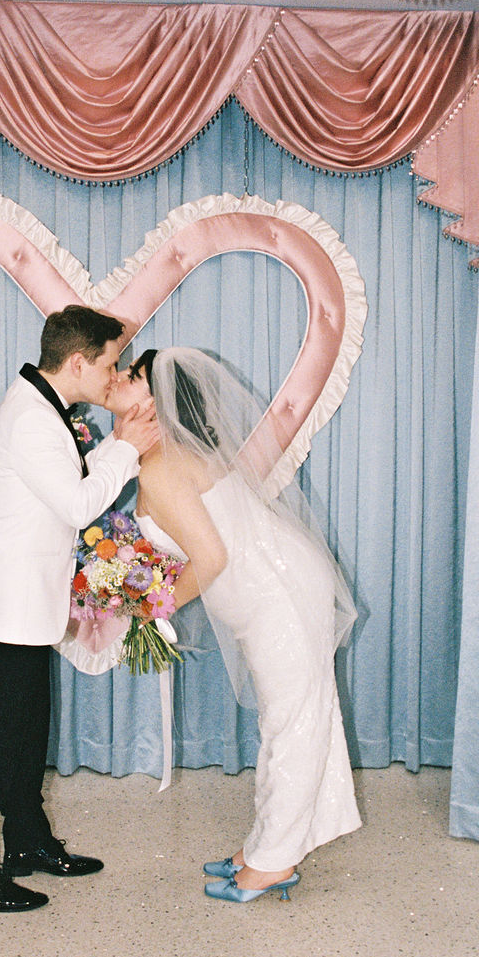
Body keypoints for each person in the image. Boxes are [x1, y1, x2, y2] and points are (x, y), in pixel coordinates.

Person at [107, 346, 360, 904]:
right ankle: (268, 844)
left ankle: (274, 861)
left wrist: (152, 607)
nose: (120, 377)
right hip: (272, 592)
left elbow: (211, 559)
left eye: (133, 375)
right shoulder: (163, 454)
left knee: (292, 721)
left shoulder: (165, 463)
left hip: (282, 595)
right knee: (292, 716)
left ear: (157, 401)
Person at [0, 305, 159, 913]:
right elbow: (77, 504)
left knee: (26, 732)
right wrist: (125, 445)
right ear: (78, 362)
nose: (114, 374)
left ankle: (28, 843)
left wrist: (114, 446)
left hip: (27, 607)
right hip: (6, 608)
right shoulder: (33, 420)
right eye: (110, 363)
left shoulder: (43, 409)